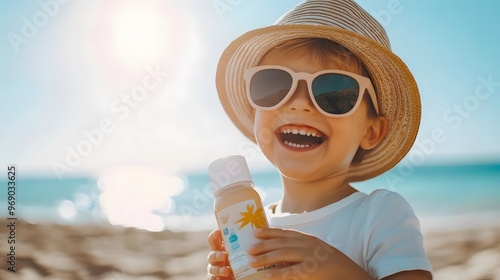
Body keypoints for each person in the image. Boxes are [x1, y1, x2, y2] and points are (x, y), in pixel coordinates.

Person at [208, 0, 433, 279]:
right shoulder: (252, 225)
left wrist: (340, 272)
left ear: (370, 131)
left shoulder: (379, 214)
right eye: (275, 85)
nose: (299, 104)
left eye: (334, 92)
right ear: (255, 110)